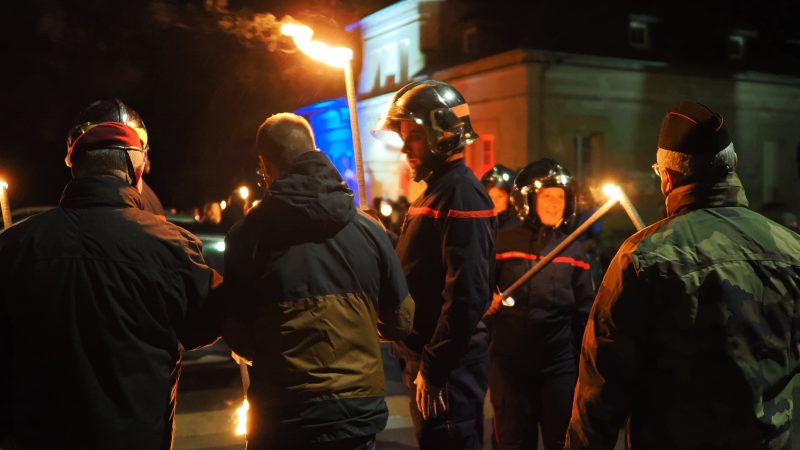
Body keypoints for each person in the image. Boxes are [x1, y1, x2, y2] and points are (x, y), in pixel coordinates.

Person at [566, 101, 800, 449]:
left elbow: (603, 384)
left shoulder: (643, 258)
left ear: (668, 177)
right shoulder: (791, 249)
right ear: (733, 164)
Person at [0, 99, 222, 449]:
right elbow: (209, 323)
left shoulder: (14, 247)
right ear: (137, 171)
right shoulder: (173, 247)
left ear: (74, 166)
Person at [221, 113, 415, 450]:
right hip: (355, 415)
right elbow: (401, 320)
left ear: (265, 165)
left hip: (282, 415)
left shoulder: (247, 237)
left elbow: (238, 335)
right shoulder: (369, 230)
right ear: (315, 151)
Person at [372, 80, 497, 450]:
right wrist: (380, 235)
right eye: (403, 136)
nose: (405, 148)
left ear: (443, 134)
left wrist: (436, 366)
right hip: (429, 358)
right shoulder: (438, 189)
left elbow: (467, 293)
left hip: (448, 367)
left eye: (413, 135)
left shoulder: (461, 195)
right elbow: (420, 263)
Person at [484, 159, 594, 450]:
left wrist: (588, 365)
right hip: (510, 364)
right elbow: (477, 290)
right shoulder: (502, 243)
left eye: (560, 197)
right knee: (513, 441)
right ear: (529, 199)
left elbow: (584, 312)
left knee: (562, 440)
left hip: (558, 365)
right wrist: (486, 300)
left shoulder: (573, 250)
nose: (554, 204)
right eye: (547, 196)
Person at [481, 164, 520, 231]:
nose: (495, 201)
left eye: (499, 196)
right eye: (491, 197)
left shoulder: (518, 227)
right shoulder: (480, 226)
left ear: (511, 198)